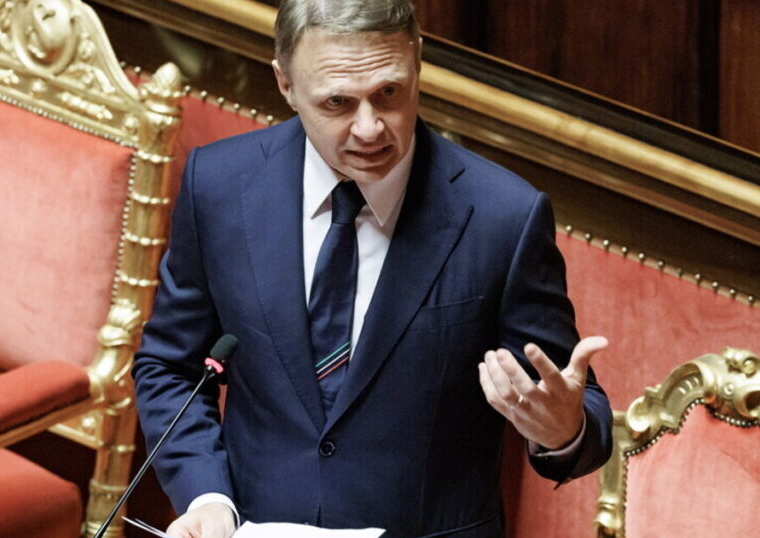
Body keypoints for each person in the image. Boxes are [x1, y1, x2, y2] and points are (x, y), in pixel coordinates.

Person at [132, 1, 612, 536]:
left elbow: (578, 410)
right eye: (338, 102)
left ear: (417, 61)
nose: (370, 128)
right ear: (285, 83)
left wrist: (563, 430)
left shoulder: (503, 217)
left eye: (388, 92)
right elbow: (170, 367)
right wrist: (207, 498)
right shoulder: (219, 185)